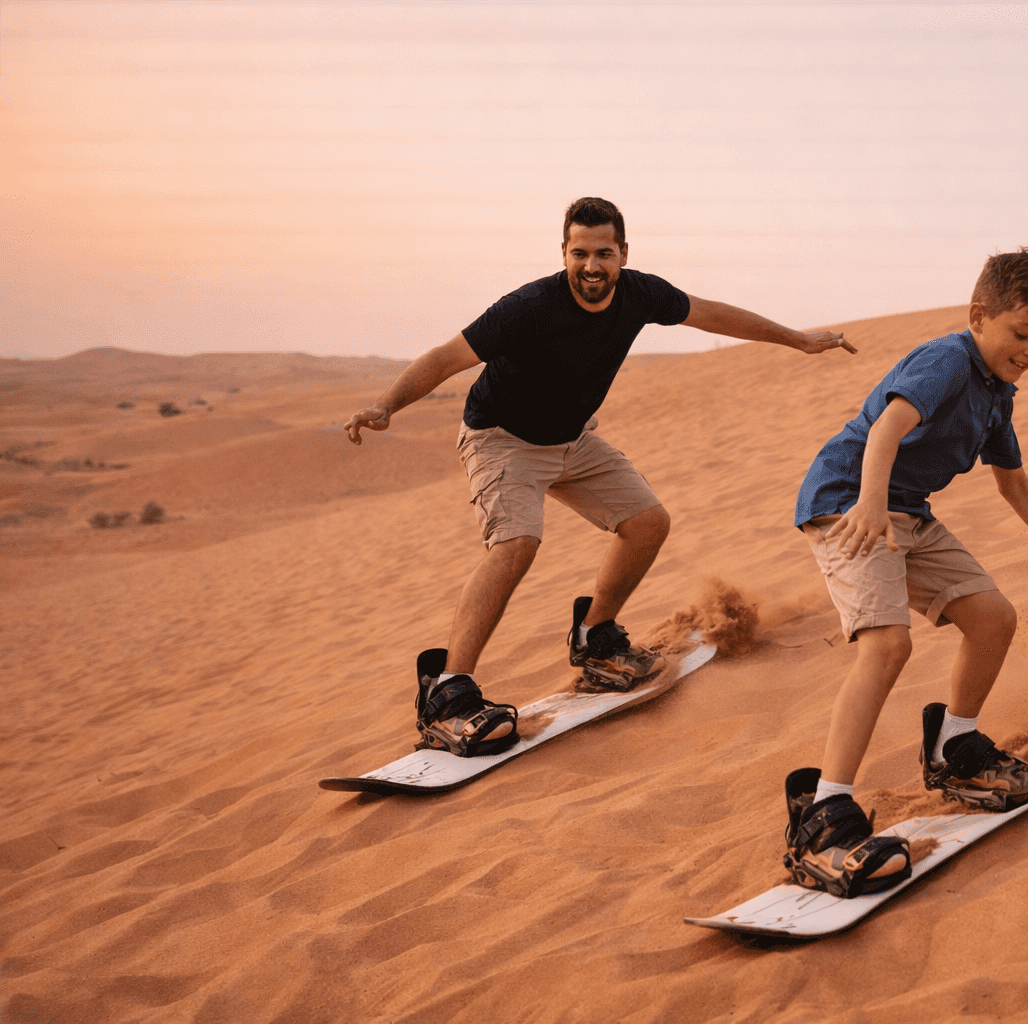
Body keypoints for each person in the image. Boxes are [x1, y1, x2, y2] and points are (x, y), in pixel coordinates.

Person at [344, 197, 855, 758]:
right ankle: (446, 693)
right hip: (501, 438)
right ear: (563, 254)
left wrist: (799, 339)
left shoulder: (641, 293)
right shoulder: (529, 306)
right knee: (516, 543)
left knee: (647, 523)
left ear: (623, 255)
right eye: (579, 253)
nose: (592, 266)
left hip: (569, 439)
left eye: (604, 253)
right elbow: (448, 356)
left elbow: (713, 314)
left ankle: (595, 635)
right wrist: (388, 404)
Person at [780, 247, 1028, 898]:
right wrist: (871, 503)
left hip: (905, 512)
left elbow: (1014, 484)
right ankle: (822, 814)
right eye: (1022, 334)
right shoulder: (947, 361)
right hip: (848, 506)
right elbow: (885, 430)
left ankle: (954, 751)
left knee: (993, 618)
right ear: (979, 317)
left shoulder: (998, 395)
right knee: (887, 646)